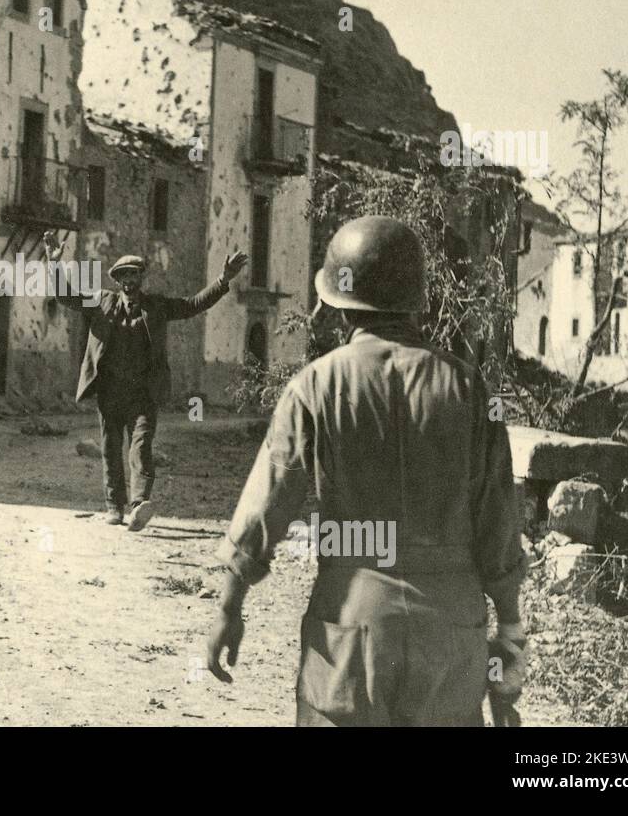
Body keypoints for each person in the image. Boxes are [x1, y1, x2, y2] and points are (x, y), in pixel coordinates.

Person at [205, 215, 527, 725]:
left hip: (352, 622)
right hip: (450, 629)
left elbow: (269, 501)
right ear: (416, 298)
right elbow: (498, 521)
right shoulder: (470, 390)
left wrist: (229, 604)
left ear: (337, 302)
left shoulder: (315, 386)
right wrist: (509, 631)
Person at [43, 230, 248, 530]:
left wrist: (222, 280)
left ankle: (139, 504)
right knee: (111, 447)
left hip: (143, 393)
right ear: (117, 281)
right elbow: (66, 297)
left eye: (134, 275)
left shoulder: (158, 307)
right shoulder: (100, 302)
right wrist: (53, 264)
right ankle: (114, 506)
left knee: (140, 446)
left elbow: (193, 305)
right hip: (110, 392)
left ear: (141, 279)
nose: (129, 282)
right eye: (123, 276)